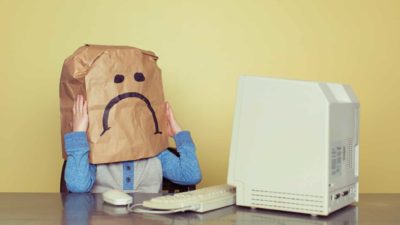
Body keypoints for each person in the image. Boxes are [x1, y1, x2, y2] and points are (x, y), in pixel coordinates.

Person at [64, 95, 201, 193]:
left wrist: (178, 134)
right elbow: (77, 186)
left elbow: (191, 176)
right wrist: (79, 134)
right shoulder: (96, 153)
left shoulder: (156, 152)